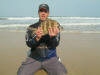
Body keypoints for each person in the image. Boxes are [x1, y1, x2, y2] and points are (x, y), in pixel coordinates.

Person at [17, 4, 67, 75]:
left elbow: (56, 43)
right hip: (34, 58)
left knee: (62, 73)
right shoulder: (31, 27)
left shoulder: (55, 25)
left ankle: (57, 60)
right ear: (38, 12)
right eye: (41, 11)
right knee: (21, 74)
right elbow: (28, 43)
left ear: (48, 13)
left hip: (51, 58)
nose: (43, 13)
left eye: (45, 11)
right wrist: (36, 38)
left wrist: (52, 37)